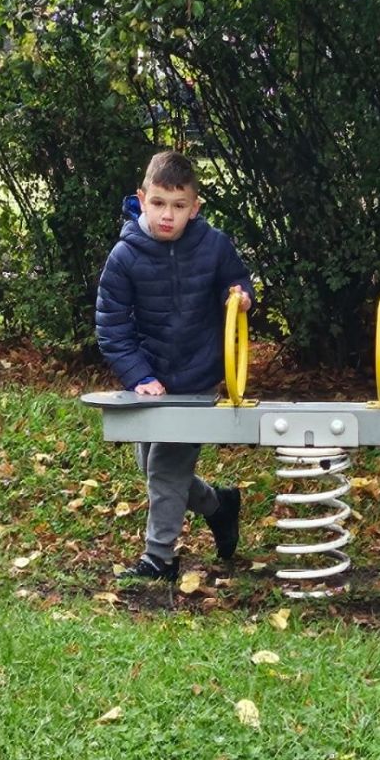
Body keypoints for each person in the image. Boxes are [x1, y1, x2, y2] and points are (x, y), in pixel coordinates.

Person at [95, 150, 254, 580]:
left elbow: (237, 281)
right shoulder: (125, 255)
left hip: (198, 378)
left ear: (194, 207)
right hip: (150, 381)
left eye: (179, 206)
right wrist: (139, 376)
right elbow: (111, 325)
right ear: (141, 200)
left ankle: (159, 558)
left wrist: (241, 297)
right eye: (159, 203)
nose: (168, 215)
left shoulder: (213, 245)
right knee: (150, 467)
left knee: (165, 469)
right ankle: (219, 506)